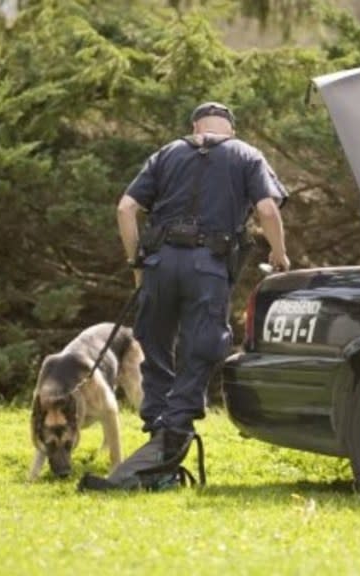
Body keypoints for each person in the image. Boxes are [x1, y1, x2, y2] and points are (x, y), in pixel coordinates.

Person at [78, 101, 289, 491]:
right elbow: (268, 211)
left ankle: (159, 445)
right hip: (207, 269)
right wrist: (279, 254)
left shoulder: (167, 153)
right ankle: (168, 442)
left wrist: (138, 266)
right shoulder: (246, 154)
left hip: (159, 266)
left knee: (155, 351)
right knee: (201, 349)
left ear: (195, 127)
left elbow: (126, 209)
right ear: (232, 130)